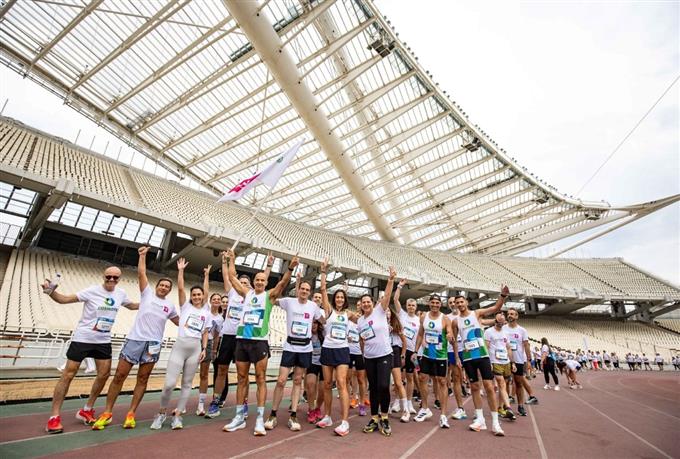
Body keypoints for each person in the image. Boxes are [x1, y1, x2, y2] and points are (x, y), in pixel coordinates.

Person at [41, 264, 135, 433]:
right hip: (83, 338)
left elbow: (132, 305)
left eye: (115, 277)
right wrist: (51, 292)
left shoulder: (121, 293)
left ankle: (87, 409)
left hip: (103, 340)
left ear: (119, 279)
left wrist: (150, 303)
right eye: (108, 276)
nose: (111, 279)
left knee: (104, 375)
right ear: (103, 277)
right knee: (68, 374)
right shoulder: (92, 291)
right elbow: (64, 299)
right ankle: (54, 417)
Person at [92, 247, 179, 430]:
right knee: (119, 376)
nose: (164, 287)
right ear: (156, 286)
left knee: (143, 379)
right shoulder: (146, 294)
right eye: (162, 285)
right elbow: (141, 273)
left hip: (153, 345)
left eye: (167, 286)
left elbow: (180, 322)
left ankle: (131, 413)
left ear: (169, 290)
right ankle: (107, 412)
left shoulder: (170, 306)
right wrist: (142, 256)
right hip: (134, 340)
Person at [223, 249, 296, 435]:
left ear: (266, 283)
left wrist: (290, 268)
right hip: (242, 340)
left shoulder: (269, 296)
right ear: (254, 281)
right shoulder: (246, 293)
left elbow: (283, 283)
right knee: (241, 378)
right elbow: (232, 277)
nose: (260, 282)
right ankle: (239, 417)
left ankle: (259, 420)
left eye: (263, 280)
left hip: (259, 342)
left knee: (260, 378)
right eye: (257, 280)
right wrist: (231, 260)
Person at [208, 253, 272, 418]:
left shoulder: (251, 296)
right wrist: (229, 260)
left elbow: (263, 280)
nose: (242, 284)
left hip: (244, 337)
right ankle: (216, 401)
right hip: (228, 336)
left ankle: (243, 403)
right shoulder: (231, 292)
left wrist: (268, 266)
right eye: (240, 282)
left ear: (249, 286)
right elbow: (228, 275)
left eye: (245, 283)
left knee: (243, 374)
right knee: (221, 369)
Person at [150, 260, 211, 430]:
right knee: (169, 384)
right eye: (194, 295)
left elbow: (205, 333)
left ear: (203, 296)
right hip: (180, 347)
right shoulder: (185, 307)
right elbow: (181, 289)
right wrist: (181, 271)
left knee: (187, 383)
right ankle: (161, 413)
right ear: (191, 297)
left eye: (199, 294)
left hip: (195, 349)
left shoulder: (206, 313)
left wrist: (204, 349)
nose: (197, 297)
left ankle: (177, 416)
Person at [264, 279, 323, 432]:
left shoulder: (313, 306)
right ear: (298, 290)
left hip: (305, 348)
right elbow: (272, 299)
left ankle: (294, 415)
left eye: (307, 289)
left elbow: (323, 320)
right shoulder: (288, 302)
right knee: (281, 380)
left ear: (310, 292)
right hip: (290, 346)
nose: (304, 291)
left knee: (297, 380)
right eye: (302, 288)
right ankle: (273, 414)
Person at [451, 286, 510, 436]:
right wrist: (457, 357)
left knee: (489, 387)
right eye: (457, 303)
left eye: (461, 301)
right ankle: (480, 419)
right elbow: (455, 341)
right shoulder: (455, 321)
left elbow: (496, 308)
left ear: (466, 302)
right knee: (474, 387)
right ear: (455, 305)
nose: (459, 304)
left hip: (482, 355)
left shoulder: (476, 313)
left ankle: (495, 423)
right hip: (468, 357)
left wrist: (502, 296)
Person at [315, 258, 359, 436]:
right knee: (327, 384)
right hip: (327, 349)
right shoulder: (329, 311)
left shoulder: (349, 314)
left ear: (345, 300)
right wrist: (323, 272)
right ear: (335, 299)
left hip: (342, 350)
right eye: (337, 297)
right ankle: (327, 416)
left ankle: (345, 422)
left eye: (342, 297)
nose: (339, 299)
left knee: (341, 383)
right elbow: (323, 290)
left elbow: (364, 320)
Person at [358, 266, 397, 436]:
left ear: (372, 303)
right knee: (373, 388)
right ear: (361, 305)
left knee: (383, 386)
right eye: (363, 302)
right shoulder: (360, 321)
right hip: (369, 358)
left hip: (384, 355)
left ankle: (385, 416)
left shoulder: (380, 311)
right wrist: (363, 354)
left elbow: (387, 296)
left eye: (368, 301)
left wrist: (390, 280)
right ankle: (374, 418)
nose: (366, 304)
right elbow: (362, 340)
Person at [413, 293, 453, 428]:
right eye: (432, 303)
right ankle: (424, 408)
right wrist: (415, 351)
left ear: (440, 304)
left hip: (441, 355)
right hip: (426, 354)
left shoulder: (445, 318)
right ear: (429, 303)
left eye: (437, 303)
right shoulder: (423, 317)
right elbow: (420, 334)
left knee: (442, 381)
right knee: (422, 378)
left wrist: (449, 335)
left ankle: (443, 415)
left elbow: (449, 332)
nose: (435, 305)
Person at [393, 281, 421, 418]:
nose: (411, 307)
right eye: (409, 305)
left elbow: (420, 336)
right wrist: (399, 286)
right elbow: (395, 299)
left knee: (410, 377)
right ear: (406, 306)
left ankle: (409, 403)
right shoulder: (402, 314)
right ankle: (397, 401)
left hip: (411, 351)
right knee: (398, 377)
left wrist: (416, 352)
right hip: (399, 348)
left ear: (416, 307)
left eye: (413, 305)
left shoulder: (418, 321)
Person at [502, 307, 537, 417]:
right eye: (508, 314)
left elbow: (526, 345)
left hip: (518, 360)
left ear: (517, 316)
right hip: (504, 359)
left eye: (512, 314)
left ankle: (520, 406)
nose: (509, 315)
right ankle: (506, 406)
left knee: (518, 383)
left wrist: (529, 360)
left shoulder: (522, 330)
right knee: (505, 383)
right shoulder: (503, 328)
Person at [484, 312, 516, 422]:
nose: (500, 324)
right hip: (495, 361)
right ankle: (509, 408)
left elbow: (508, 348)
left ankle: (500, 407)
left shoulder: (506, 333)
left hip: (505, 361)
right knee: (501, 383)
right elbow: (486, 347)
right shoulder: (488, 332)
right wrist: (488, 362)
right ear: (495, 320)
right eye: (498, 322)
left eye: (502, 322)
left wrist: (512, 362)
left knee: (505, 385)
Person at [197, 292, 224, 416]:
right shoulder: (205, 310)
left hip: (208, 343)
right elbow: (206, 291)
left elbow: (217, 336)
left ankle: (201, 404)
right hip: (195, 340)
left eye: (219, 299)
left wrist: (214, 350)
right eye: (214, 299)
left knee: (204, 373)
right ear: (210, 300)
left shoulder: (220, 319)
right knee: (188, 372)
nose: (216, 300)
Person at [445, 297, 467, 421]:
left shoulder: (468, 316)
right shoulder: (446, 318)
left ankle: (478, 411)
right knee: (456, 378)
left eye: (456, 302)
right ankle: (460, 408)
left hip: (468, 350)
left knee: (474, 379)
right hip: (452, 351)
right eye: (451, 303)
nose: (454, 304)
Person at [347, 316, 368, 417]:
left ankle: (362, 404)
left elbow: (363, 341)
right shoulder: (347, 322)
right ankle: (347, 401)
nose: (358, 315)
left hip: (359, 354)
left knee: (361, 380)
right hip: (347, 353)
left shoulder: (362, 324)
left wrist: (364, 354)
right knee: (347, 379)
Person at [306, 320, 326, 423]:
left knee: (322, 390)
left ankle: (317, 408)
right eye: (311, 322)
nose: (313, 325)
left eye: (315, 323)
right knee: (310, 384)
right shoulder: (306, 334)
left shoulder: (323, 334)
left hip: (323, 363)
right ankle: (311, 409)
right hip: (311, 363)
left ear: (318, 324)